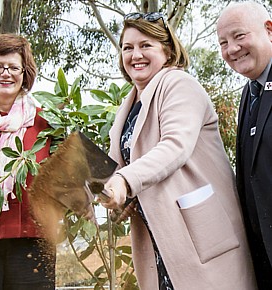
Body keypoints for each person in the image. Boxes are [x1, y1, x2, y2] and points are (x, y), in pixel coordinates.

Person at [101, 12, 257, 290]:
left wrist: (125, 181)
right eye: (128, 47)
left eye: (145, 45)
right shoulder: (127, 106)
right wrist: (114, 196)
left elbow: (174, 146)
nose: (135, 54)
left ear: (168, 49)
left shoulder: (180, 85)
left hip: (201, 238)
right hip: (158, 242)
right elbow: (118, 167)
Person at [0, 34, 55, 289]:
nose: (6, 74)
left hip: (32, 243)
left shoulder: (47, 123)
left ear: (25, 74)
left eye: (14, 67)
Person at [216, 1, 272, 289]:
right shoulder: (248, 95)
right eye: (223, 43)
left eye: (239, 36)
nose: (232, 49)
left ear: (269, 31)